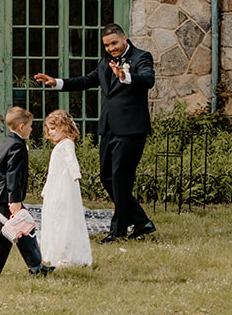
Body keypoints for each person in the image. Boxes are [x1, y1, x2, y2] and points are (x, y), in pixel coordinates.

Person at [33, 22, 156, 242]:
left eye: (114, 43)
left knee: (120, 179)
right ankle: (141, 221)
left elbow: (148, 80)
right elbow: (86, 81)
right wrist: (56, 82)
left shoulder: (141, 57)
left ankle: (117, 231)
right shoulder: (104, 63)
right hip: (108, 129)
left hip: (131, 130)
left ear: (124, 38)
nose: (111, 48)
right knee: (107, 177)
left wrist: (124, 76)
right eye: (107, 45)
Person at [0, 107, 53, 277]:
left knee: (23, 230)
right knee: (6, 235)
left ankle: (36, 266)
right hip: (8, 197)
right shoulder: (17, 146)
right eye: (30, 126)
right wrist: (15, 201)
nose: (31, 129)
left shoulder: (7, 141)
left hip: (3, 195)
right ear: (21, 127)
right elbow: (13, 175)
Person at [37, 110, 92, 267]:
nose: (51, 132)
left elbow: (71, 160)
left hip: (64, 186)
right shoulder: (58, 146)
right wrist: (47, 188)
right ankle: (56, 252)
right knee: (55, 217)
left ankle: (66, 254)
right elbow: (52, 172)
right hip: (56, 185)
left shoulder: (67, 144)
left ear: (65, 127)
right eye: (49, 129)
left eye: (54, 128)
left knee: (63, 218)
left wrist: (76, 174)